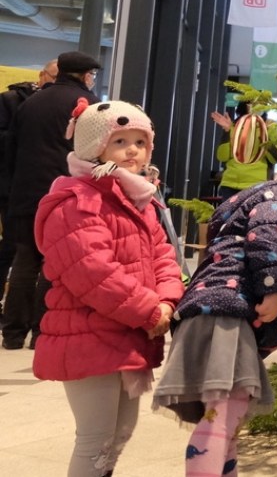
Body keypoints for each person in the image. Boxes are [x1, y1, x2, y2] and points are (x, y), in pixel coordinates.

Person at [152, 153, 277, 477]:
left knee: (226, 414)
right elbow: (268, 234)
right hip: (226, 312)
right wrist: (274, 288)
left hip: (216, 312)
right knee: (224, 414)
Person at [33, 99, 184, 477]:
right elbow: (92, 272)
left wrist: (167, 301)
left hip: (127, 332)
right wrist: (150, 310)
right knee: (96, 439)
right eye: (120, 141)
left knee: (120, 434)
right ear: (93, 146)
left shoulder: (137, 199)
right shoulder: (78, 201)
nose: (132, 150)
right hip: (88, 334)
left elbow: (163, 256)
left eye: (140, 141)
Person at [1, 50, 101, 350]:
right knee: (53, 262)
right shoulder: (89, 106)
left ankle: (12, 334)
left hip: (25, 192)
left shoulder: (31, 103)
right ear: (85, 75)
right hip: (63, 193)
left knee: (24, 259)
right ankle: (42, 331)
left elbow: (12, 149)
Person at [0, 58, 57, 313]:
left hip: (38, 190)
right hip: (11, 187)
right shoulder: (11, 100)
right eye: (54, 77)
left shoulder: (56, 106)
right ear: (42, 75)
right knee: (13, 249)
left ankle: (33, 319)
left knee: (32, 254)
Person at [210, 101, 277, 199]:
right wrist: (228, 131)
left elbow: (276, 157)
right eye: (253, 104)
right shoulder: (234, 126)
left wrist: (263, 136)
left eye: (261, 104)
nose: (257, 108)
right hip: (230, 183)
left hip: (257, 184)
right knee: (229, 214)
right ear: (245, 106)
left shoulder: (270, 126)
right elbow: (222, 156)